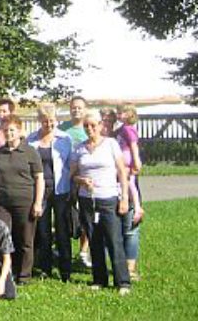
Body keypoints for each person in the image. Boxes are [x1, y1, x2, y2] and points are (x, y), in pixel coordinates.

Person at [70, 111, 131, 294]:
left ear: (100, 125)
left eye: (93, 125)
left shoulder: (111, 144)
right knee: (94, 239)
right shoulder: (79, 148)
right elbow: (71, 175)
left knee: (114, 240)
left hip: (108, 198)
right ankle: (99, 278)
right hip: (87, 200)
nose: (90, 129)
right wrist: (81, 180)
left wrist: (124, 198)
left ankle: (123, 282)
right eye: (86, 126)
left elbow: (122, 172)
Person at [0, 115, 43, 285]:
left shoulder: (30, 152)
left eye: (12, 130)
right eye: (6, 130)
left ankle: (24, 275)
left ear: (20, 131)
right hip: (3, 203)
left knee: (25, 240)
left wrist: (38, 203)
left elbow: (39, 178)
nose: (9, 133)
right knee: (4, 237)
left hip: (25, 202)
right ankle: (6, 272)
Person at [26, 103, 73, 281]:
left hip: (60, 189)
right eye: (45, 121)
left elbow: (70, 164)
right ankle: (45, 267)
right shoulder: (31, 140)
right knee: (43, 230)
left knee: (62, 230)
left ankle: (65, 269)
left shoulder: (65, 139)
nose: (49, 124)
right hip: (40, 190)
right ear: (39, 121)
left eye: (52, 121)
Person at [60, 95, 90, 267]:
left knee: (86, 214)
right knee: (67, 215)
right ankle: (63, 248)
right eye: (73, 107)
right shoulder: (64, 128)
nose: (76, 110)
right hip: (67, 178)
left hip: (85, 177)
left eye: (80, 107)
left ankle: (83, 251)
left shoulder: (88, 127)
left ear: (85, 110)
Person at [116, 104, 144, 281]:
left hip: (126, 159)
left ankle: (138, 207)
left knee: (130, 184)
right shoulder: (120, 129)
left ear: (130, 114)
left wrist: (137, 161)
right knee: (128, 184)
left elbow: (133, 146)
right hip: (123, 160)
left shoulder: (128, 129)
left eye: (122, 112)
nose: (119, 115)